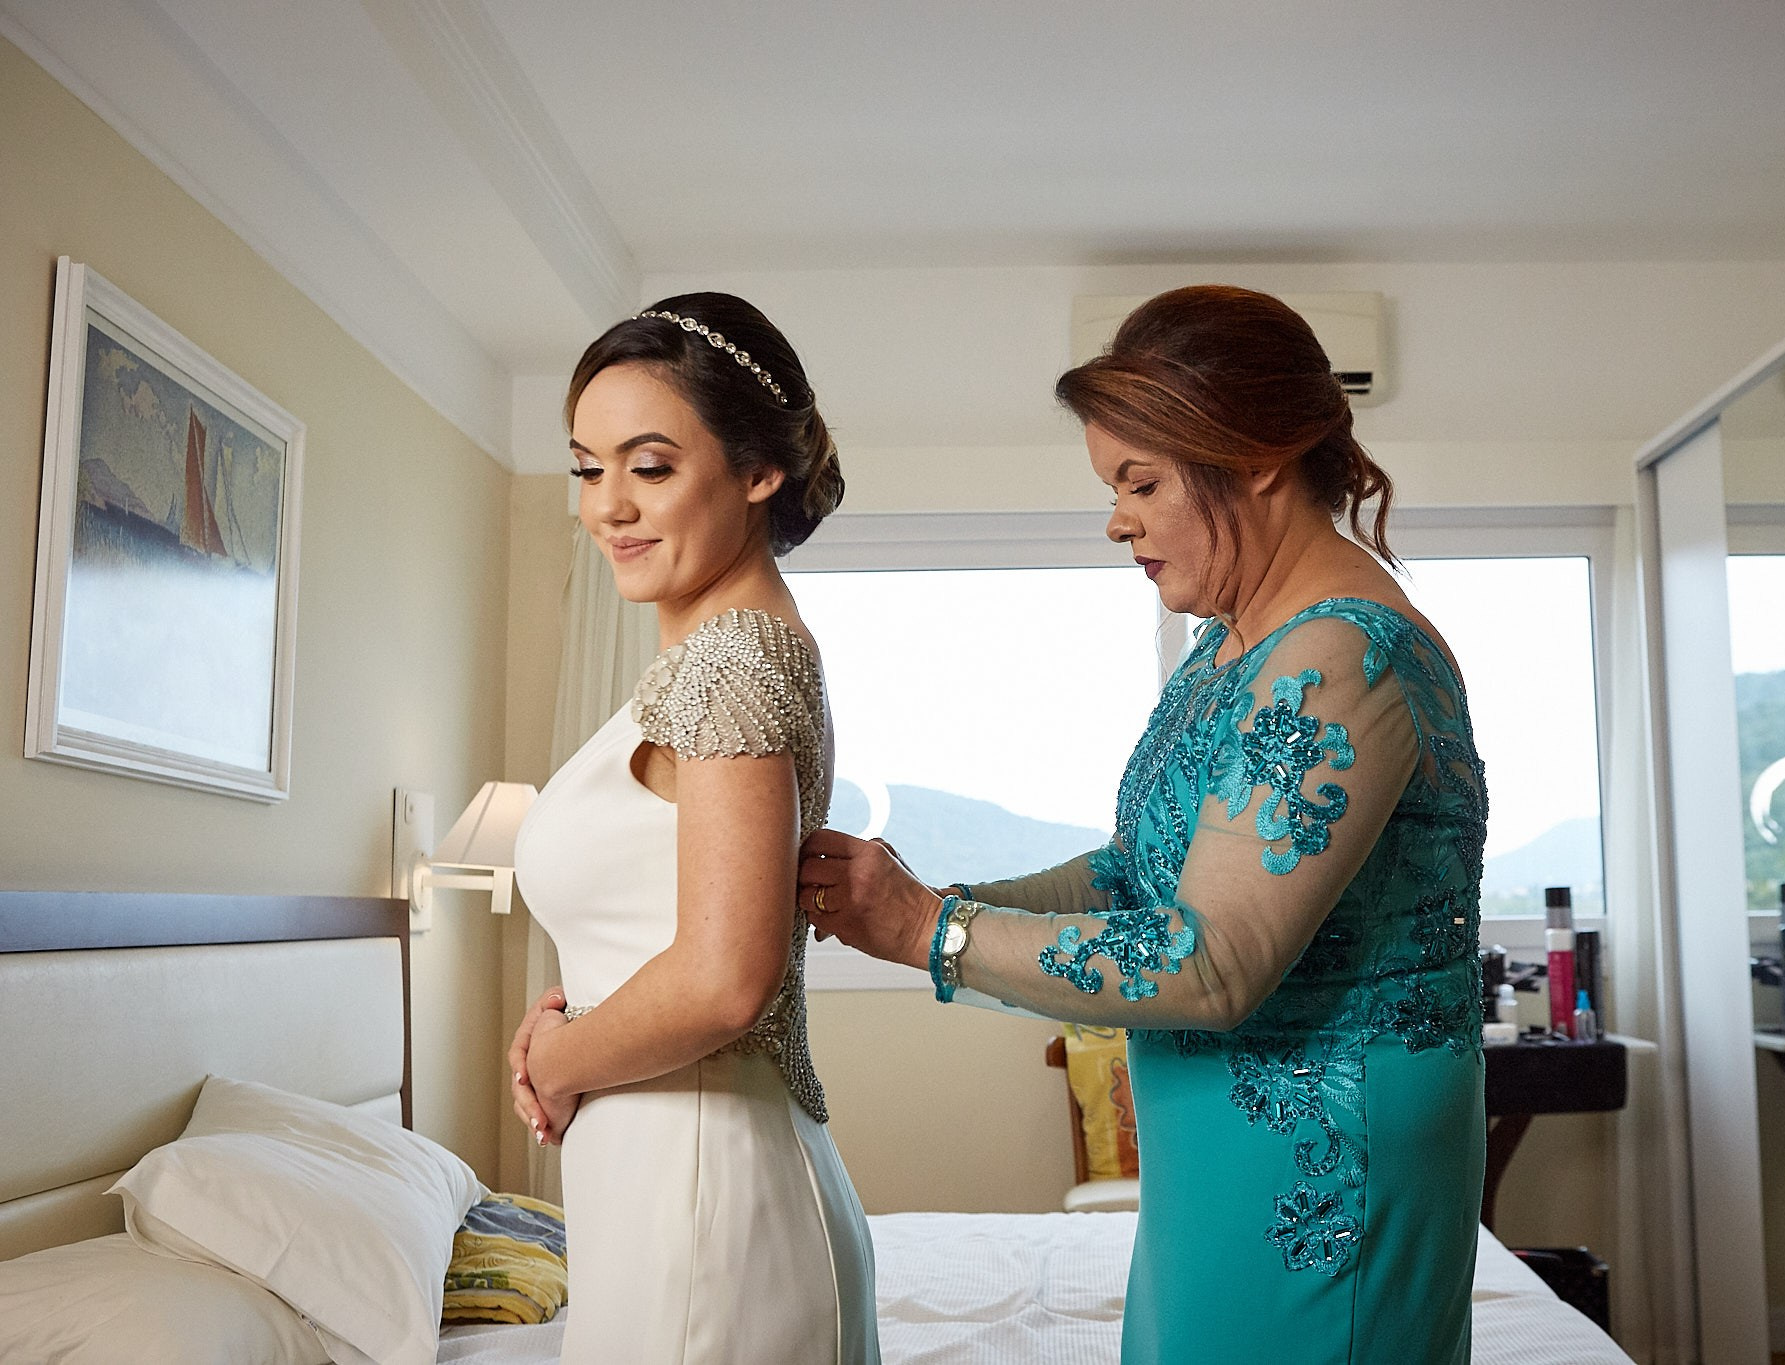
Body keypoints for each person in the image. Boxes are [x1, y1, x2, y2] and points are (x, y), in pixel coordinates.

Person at [801, 285, 1487, 1364]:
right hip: (1211, 1160)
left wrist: (930, 930)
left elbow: (1210, 962)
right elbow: (1133, 876)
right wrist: (918, 900)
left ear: (1256, 458)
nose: (1116, 519)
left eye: (1141, 482)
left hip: (1320, 1171)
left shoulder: (1342, 655)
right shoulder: (1232, 645)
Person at [506, 294, 880, 1364]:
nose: (608, 506)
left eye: (650, 466)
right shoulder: (723, 653)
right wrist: (573, 1026)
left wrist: (558, 1059)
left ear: (758, 469)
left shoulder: (735, 660)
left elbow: (725, 978)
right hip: (676, 1186)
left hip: (701, 1203)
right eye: (588, 470)